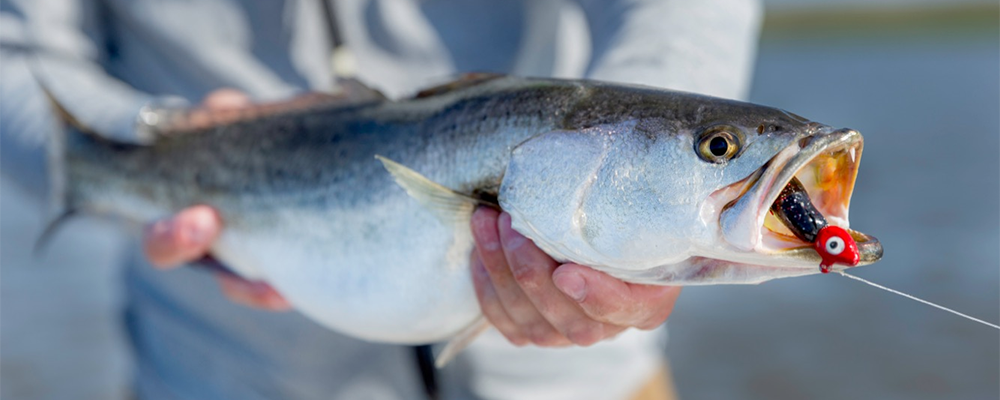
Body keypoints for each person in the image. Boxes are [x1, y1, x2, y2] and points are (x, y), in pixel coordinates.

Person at [0, 1, 761, 399]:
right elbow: (15, 61)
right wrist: (163, 138)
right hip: (223, 375)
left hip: (580, 384)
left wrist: (641, 143)